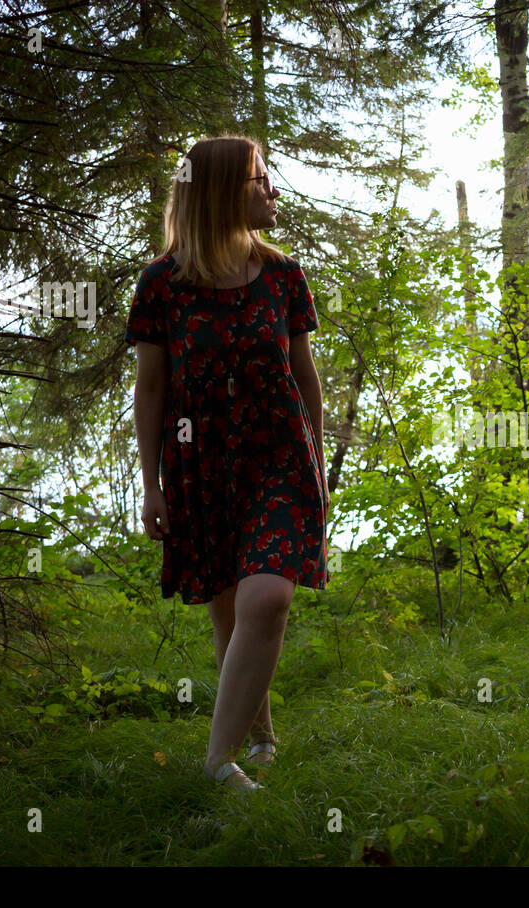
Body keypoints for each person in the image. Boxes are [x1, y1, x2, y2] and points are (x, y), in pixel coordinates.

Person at [124, 135, 329, 791]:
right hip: (200, 466)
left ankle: (217, 763)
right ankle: (262, 738)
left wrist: (317, 464)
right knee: (232, 616)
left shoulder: (284, 276)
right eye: (259, 179)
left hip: (278, 459)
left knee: (266, 598)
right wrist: (151, 486)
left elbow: (305, 379)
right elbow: (152, 388)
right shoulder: (163, 285)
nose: (273, 190)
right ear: (217, 191)